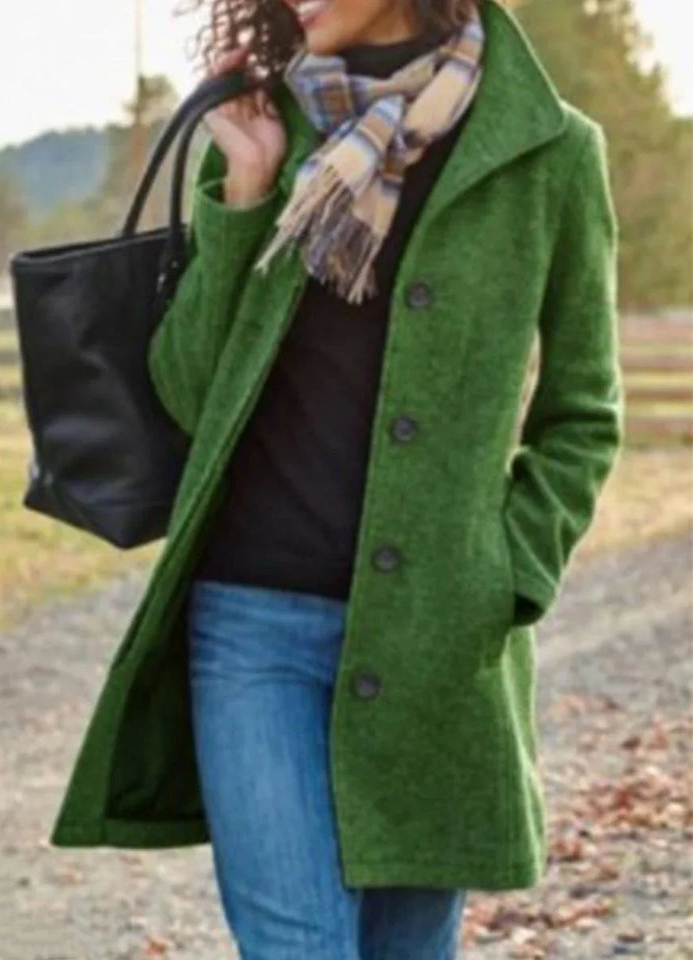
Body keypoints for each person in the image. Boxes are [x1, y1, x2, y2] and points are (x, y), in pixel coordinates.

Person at [49, 0, 623, 956]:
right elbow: (187, 394)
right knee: (299, 945)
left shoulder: (551, 151)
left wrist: (507, 573)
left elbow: (583, 413)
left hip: (437, 644)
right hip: (251, 626)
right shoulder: (265, 128)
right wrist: (246, 192)